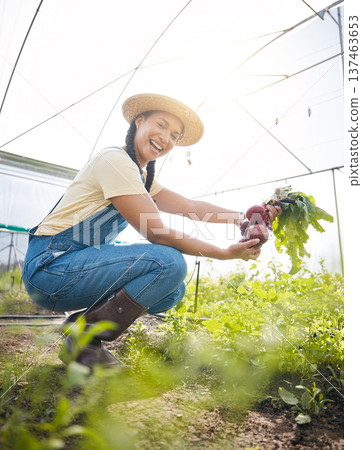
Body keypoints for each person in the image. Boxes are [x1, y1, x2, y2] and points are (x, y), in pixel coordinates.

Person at [22, 93, 281, 369]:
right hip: (50, 267)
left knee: (172, 291)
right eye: (160, 125)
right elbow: (156, 233)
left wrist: (245, 218)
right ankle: (85, 339)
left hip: (73, 267)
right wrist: (224, 253)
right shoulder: (115, 161)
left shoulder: (141, 177)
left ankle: (82, 327)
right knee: (168, 262)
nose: (166, 138)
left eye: (175, 135)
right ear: (139, 121)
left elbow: (191, 207)